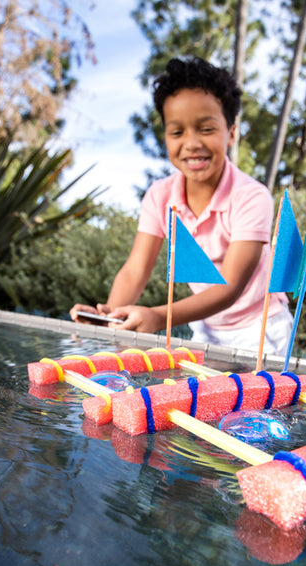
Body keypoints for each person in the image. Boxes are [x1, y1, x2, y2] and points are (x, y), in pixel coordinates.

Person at [70, 56, 292, 354]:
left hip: (261, 328)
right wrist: (112, 315)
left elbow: (231, 287)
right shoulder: (159, 196)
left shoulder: (252, 197)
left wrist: (159, 317)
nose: (191, 143)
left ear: (232, 133)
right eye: (177, 132)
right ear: (165, 136)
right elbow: (135, 270)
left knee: (254, 401)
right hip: (205, 325)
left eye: (206, 129)